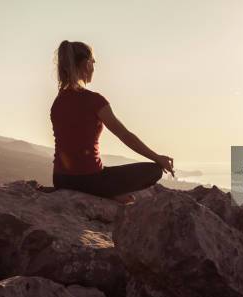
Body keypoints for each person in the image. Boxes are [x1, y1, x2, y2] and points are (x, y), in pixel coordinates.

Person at [50, 40, 175, 204]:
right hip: (91, 180)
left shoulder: (58, 102)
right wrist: (157, 158)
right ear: (86, 64)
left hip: (61, 179)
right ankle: (108, 194)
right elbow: (124, 135)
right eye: (93, 62)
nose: (94, 67)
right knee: (154, 171)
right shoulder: (95, 101)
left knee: (103, 174)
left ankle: (108, 193)